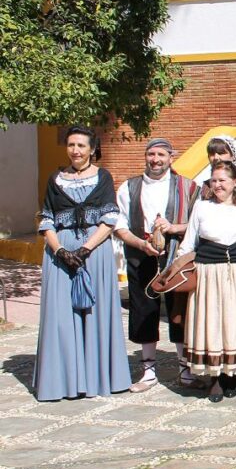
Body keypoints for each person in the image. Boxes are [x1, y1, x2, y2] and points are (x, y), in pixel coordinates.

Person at [34, 126, 131, 401]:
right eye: (71, 145)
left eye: (81, 145)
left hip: (95, 252)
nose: (75, 150)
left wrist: (86, 249)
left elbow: (110, 219)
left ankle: (97, 378)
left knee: (95, 312)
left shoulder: (103, 177)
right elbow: (47, 220)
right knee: (60, 316)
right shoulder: (55, 178)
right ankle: (62, 382)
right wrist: (62, 251)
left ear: (92, 149)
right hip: (59, 254)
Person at [114, 138, 199, 392]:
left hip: (177, 258)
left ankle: (185, 369)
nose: (155, 159)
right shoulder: (129, 187)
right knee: (143, 310)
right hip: (141, 256)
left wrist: (174, 228)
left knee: (178, 311)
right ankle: (148, 371)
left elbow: (198, 221)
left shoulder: (188, 187)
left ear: (171, 157)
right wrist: (141, 244)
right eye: (151, 154)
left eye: (161, 154)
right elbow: (119, 225)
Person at [177, 161, 236, 402]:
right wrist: (181, 269)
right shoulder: (201, 207)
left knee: (233, 325)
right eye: (214, 180)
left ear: (235, 183)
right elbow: (189, 243)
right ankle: (215, 379)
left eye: (223, 180)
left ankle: (233, 375)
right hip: (208, 273)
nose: (218, 184)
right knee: (210, 324)